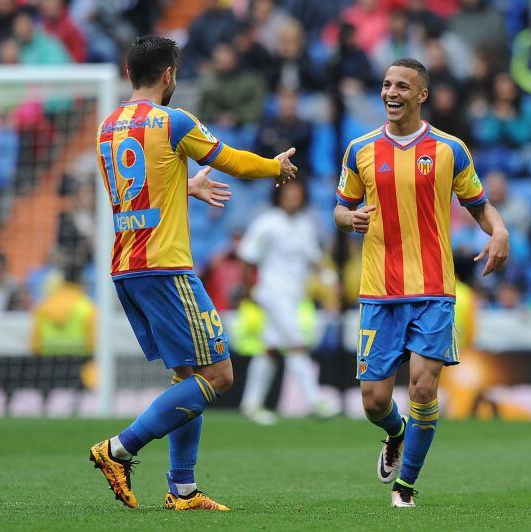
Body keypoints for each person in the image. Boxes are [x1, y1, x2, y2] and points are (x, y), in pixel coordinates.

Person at [88, 36, 297, 512]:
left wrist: (185, 187)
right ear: (168, 75)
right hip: (166, 267)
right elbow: (230, 160)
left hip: (127, 267)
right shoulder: (172, 120)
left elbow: (139, 193)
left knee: (189, 375)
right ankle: (118, 450)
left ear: (128, 74)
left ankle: (182, 489)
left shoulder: (107, 127)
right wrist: (274, 166)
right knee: (220, 376)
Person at [333, 58, 509, 508]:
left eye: (403, 86)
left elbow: (479, 205)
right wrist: (348, 218)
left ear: (421, 95)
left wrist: (500, 231)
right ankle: (396, 434)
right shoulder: (360, 149)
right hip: (379, 290)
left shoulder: (450, 149)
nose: (391, 93)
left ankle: (405, 488)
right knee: (374, 401)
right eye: (387, 85)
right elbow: (340, 206)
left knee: (424, 390)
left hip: (434, 289)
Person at [238, 180, 337, 425]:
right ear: (279, 196)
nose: (293, 199)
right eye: (288, 194)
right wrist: (249, 290)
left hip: (294, 296)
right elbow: (247, 257)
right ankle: (316, 401)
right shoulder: (267, 222)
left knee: (270, 349)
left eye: (297, 194)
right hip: (272, 293)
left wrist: (329, 278)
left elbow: (313, 257)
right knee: (297, 343)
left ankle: (251, 404)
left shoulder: (305, 223)